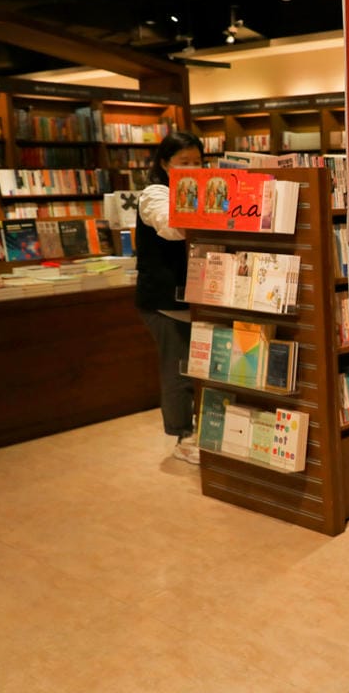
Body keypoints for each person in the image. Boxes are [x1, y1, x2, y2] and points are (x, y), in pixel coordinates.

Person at [136, 131, 204, 464]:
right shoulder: (154, 194)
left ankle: (201, 432)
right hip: (165, 302)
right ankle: (183, 436)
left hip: (197, 299)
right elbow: (172, 227)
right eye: (183, 162)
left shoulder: (204, 189)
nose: (192, 168)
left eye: (197, 162)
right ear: (165, 164)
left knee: (200, 369)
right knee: (179, 370)